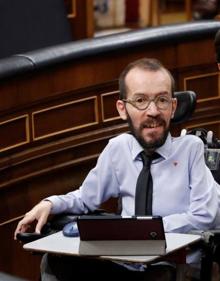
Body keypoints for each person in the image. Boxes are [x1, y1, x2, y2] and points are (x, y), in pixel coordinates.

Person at [14, 58, 220, 281]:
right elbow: (85, 199)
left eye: (162, 100)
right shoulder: (118, 149)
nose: (153, 111)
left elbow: (205, 216)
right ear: (123, 109)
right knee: (55, 262)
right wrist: (51, 203)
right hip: (127, 264)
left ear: (173, 107)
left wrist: (145, 230)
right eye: (140, 100)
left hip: (176, 268)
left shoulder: (192, 149)